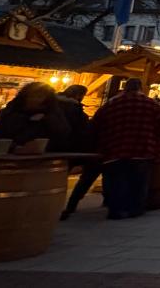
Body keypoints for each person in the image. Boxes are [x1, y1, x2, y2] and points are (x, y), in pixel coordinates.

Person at [92, 79, 160, 220]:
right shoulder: (152, 104)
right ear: (141, 88)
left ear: (125, 88)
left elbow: (96, 125)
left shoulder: (110, 104)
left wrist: (101, 144)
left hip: (114, 149)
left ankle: (115, 209)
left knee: (115, 181)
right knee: (138, 181)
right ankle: (135, 208)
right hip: (142, 149)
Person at [0, 82, 70, 153]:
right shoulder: (9, 113)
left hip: (41, 163)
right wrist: (14, 148)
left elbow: (62, 139)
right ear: (24, 97)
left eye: (39, 96)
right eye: (31, 96)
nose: (34, 99)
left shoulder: (53, 116)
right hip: (6, 160)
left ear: (47, 99)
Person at [59, 85, 99, 219]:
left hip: (56, 147)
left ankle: (63, 207)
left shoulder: (52, 105)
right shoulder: (73, 110)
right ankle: (63, 207)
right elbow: (83, 131)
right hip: (69, 148)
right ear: (78, 95)